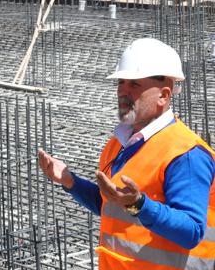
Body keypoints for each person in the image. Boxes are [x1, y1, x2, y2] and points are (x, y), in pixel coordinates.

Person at [38, 38, 215, 269]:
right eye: (121, 82)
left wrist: (139, 205)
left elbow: (192, 231)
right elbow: (112, 206)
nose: (123, 91)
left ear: (163, 95)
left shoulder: (186, 154)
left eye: (134, 84)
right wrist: (70, 181)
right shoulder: (119, 143)